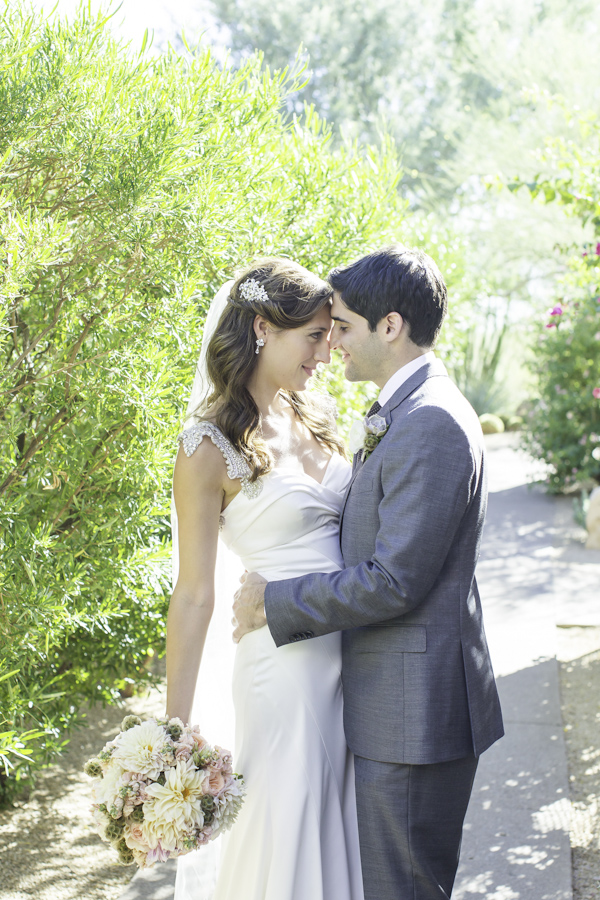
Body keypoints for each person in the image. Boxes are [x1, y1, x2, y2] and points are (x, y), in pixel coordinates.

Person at [233, 244, 505, 900]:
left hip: (413, 716)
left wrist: (277, 601)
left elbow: (394, 580)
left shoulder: (431, 421)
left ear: (391, 326)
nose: (335, 347)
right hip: (393, 705)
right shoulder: (411, 410)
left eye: (345, 328)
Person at [167, 257, 365, 900]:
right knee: (287, 821)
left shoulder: (314, 414)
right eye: (313, 335)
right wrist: (174, 732)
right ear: (261, 327)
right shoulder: (206, 446)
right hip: (281, 671)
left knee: (343, 823)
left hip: (351, 654)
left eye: (330, 332)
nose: (327, 349)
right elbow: (195, 593)